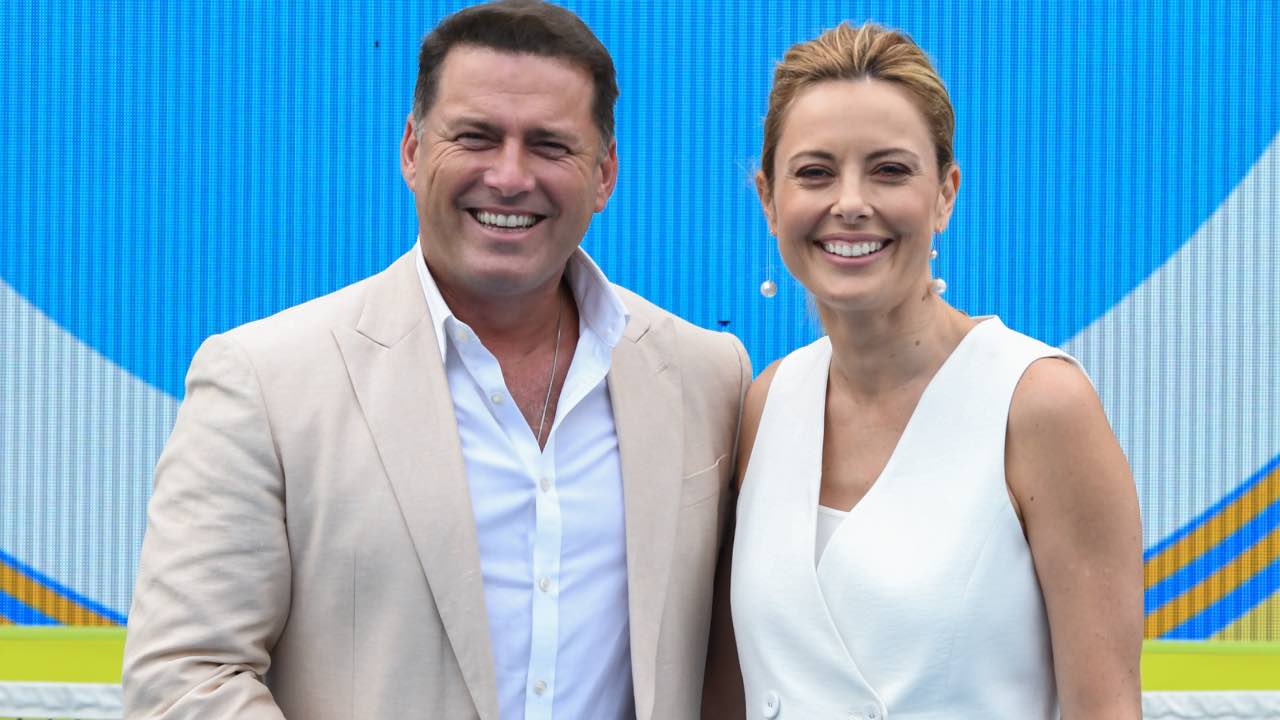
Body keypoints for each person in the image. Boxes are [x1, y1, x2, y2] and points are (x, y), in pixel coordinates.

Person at [122, 2, 749, 718]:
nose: (509, 177)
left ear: (605, 173)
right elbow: (184, 680)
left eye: (549, 145)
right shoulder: (265, 383)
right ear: (412, 151)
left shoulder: (707, 377)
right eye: (476, 137)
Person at [705, 21, 1142, 719]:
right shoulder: (768, 401)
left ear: (945, 193)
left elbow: (1107, 707)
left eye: (889, 170)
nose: (851, 202)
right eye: (815, 172)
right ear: (769, 199)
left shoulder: (1038, 403)